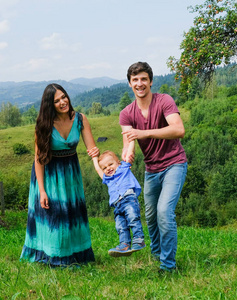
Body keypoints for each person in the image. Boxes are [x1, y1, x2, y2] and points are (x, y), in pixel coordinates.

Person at [20, 83, 99, 267]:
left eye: (64, 97)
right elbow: (39, 159)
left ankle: (76, 254)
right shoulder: (44, 124)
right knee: (53, 216)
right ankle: (53, 256)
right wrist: (42, 190)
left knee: (71, 215)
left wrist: (105, 171)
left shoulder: (80, 119)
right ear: (50, 104)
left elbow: (92, 149)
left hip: (71, 174)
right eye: (57, 100)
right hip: (49, 174)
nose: (63, 102)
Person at [119, 62, 188, 272]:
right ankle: (158, 254)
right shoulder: (126, 113)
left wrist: (146, 133)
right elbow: (128, 143)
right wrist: (127, 155)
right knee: (150, 216)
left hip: (174, 163)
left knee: (164, 212)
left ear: (150, 81)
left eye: (143, 79)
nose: (140, 84)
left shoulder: (164, 100)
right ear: (130, 84)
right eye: (135, 80)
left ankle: (168, 266)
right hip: (151, 169)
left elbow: (178, 129)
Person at [91, 141, 145, 257]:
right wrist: (94, 157)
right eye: (105, 167)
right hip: (117, 205)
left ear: (118, 163)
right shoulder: (107, 178)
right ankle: (124, 244)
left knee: (132, 218)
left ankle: (138, 239)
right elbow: (98, 169)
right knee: (120, 226)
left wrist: (131, 140)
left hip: (129, 199)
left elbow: (130, 153)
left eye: (110, 164)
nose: (108, 168)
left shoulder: (124, 168)